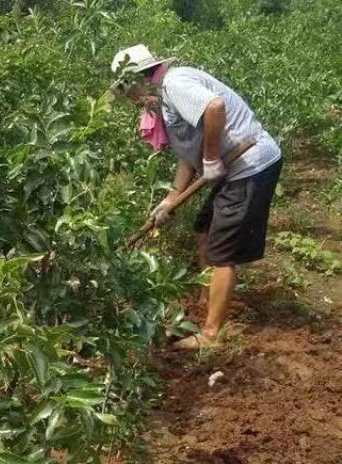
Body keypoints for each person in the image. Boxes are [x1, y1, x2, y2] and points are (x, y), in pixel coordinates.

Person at [112, 44, 282, 349]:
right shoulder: (164, 97)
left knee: (222, 250)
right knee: (204, 231)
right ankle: (206, 296)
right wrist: (172, 198)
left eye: (127, 92)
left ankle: (211, 335)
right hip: (234, 168)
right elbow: (189, 152)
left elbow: (214, 108)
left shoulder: (174, 84)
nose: (131, 101)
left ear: (136, 80)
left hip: (251, 164)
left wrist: (213, 159)